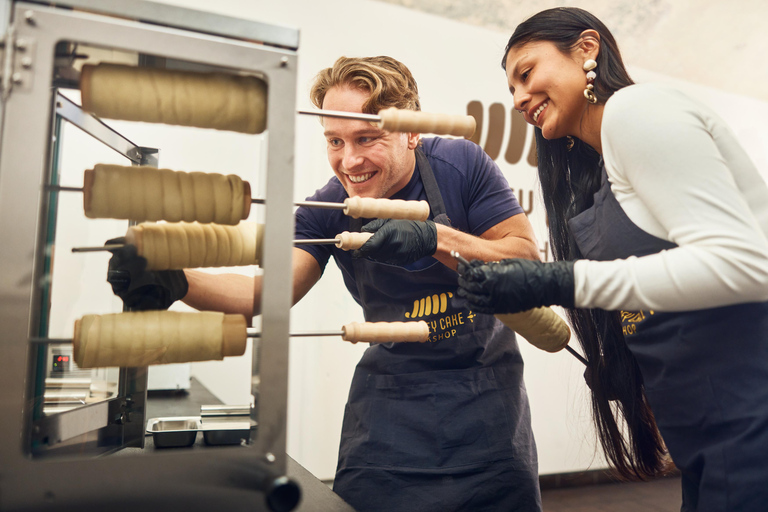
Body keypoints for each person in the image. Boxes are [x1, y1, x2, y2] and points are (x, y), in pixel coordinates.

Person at [108, 56, 543, 511]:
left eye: (366, 138)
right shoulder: (328, 207)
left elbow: (525, 265)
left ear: (412, 131)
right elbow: (263, 295)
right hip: (390, 412)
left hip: (485, 402)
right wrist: (176, 277)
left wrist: (434, 238)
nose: (348, 160)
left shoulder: (461, 165)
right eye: (334, 140)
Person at [456, 7, 768, 512]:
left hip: (750, 419)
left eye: (526, 73)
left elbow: (743, 264)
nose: (516, 99)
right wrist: (630, 358)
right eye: (510, 89)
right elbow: (663, 284)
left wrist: (563, 281)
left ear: (587, 48)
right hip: (705, 434)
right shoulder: (601, 174)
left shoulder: (639, 111)